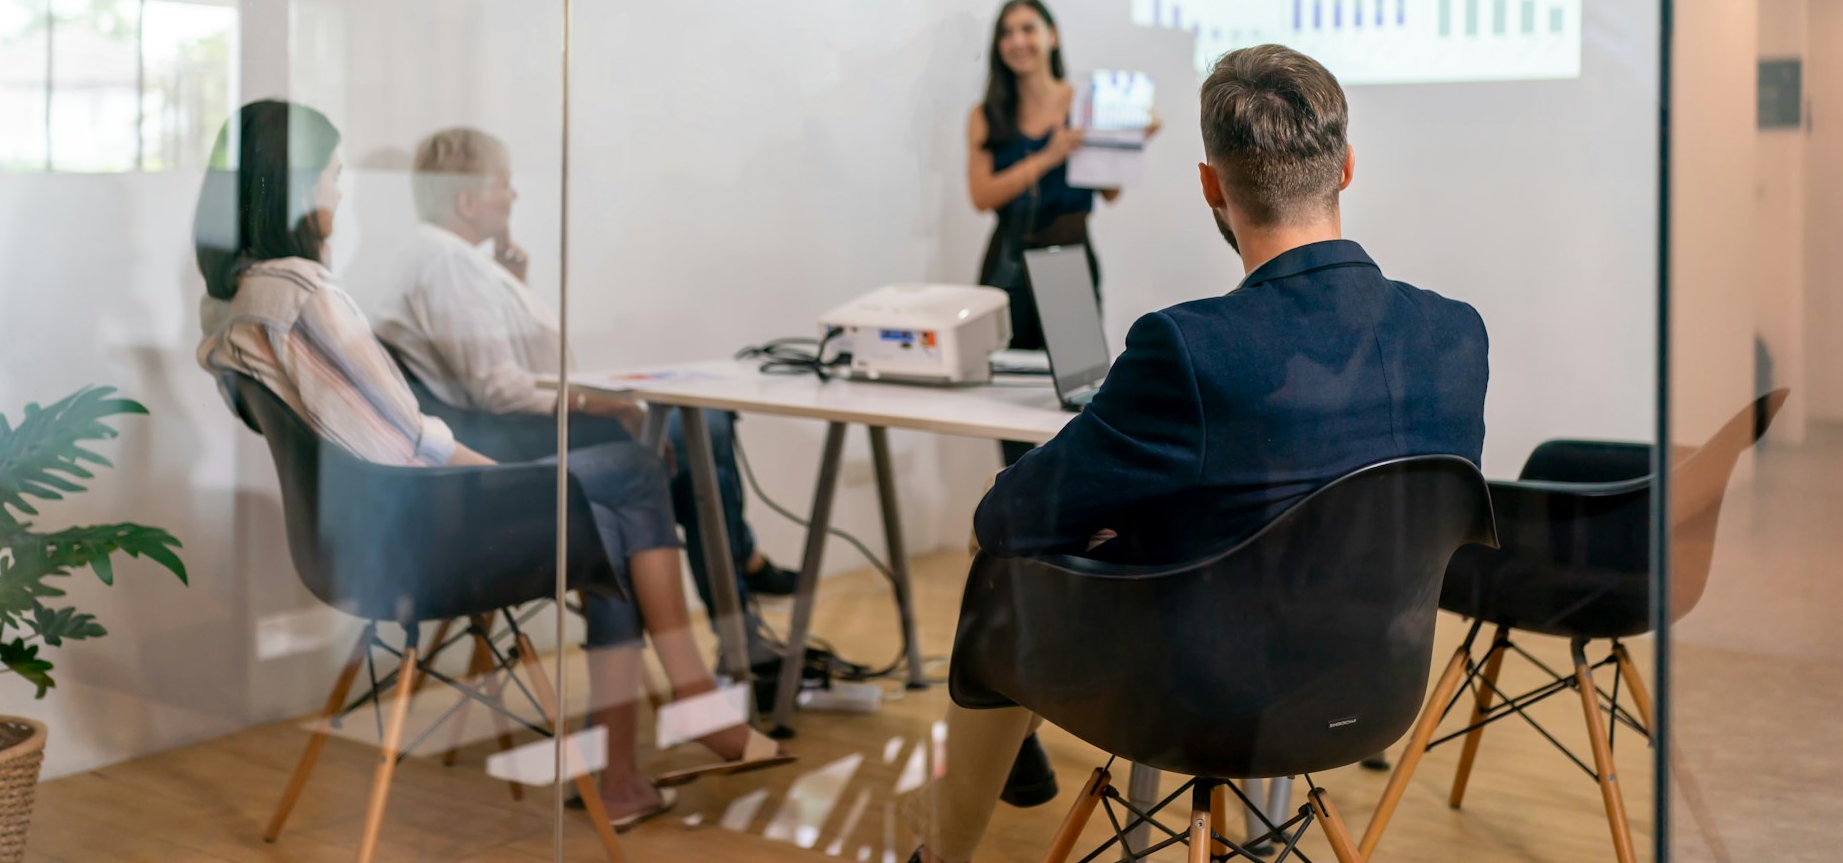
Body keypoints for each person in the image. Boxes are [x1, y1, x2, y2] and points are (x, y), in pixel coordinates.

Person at [910, 45, 1488, 863]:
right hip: (1375, 683)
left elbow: (1008, 517)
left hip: (1201, 695)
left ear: (1212, 185)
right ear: (1347, 167)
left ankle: (943, 852)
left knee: (1001, 565)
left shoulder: (1188, 345)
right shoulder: (1456, 334)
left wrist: (1128, 534)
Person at [193, 101, 790, 831]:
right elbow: (413, 436)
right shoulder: (305, 292)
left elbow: (368, 429)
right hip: (417, 530)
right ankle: (692, 703)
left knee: (606, 513)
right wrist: (515, 481)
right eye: (333, 177)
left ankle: (634, 768)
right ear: (295, 186)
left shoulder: (235, 301)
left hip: (356, 538)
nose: (340, 194)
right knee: (632, 474)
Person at [371, 126, 800, 610]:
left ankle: (742, 606)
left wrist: (510, 285)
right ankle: (741, 605)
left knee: (704, 457)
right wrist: (604, 404)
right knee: (707, 434)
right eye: (504, 185)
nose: (513, 197)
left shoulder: (439, 259)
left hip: (503, 432)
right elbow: (498, 389)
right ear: (467, 202)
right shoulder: (448, 265)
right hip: (510, 444)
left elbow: (493, 366)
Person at [964, 0, 1159, 803]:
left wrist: (1116, 144)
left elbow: (1105, 193)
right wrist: (1055, 148)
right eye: (1006, 30)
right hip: (1009, 268)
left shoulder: (1085, 98)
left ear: (1049, 35)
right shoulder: (991, 111)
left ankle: (1063, 629)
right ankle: (1020, 635)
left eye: (1028, 27)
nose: (1017, 41)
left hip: (1071, 270)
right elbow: (985, 192)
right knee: (1014, 455)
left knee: (1076, 434)